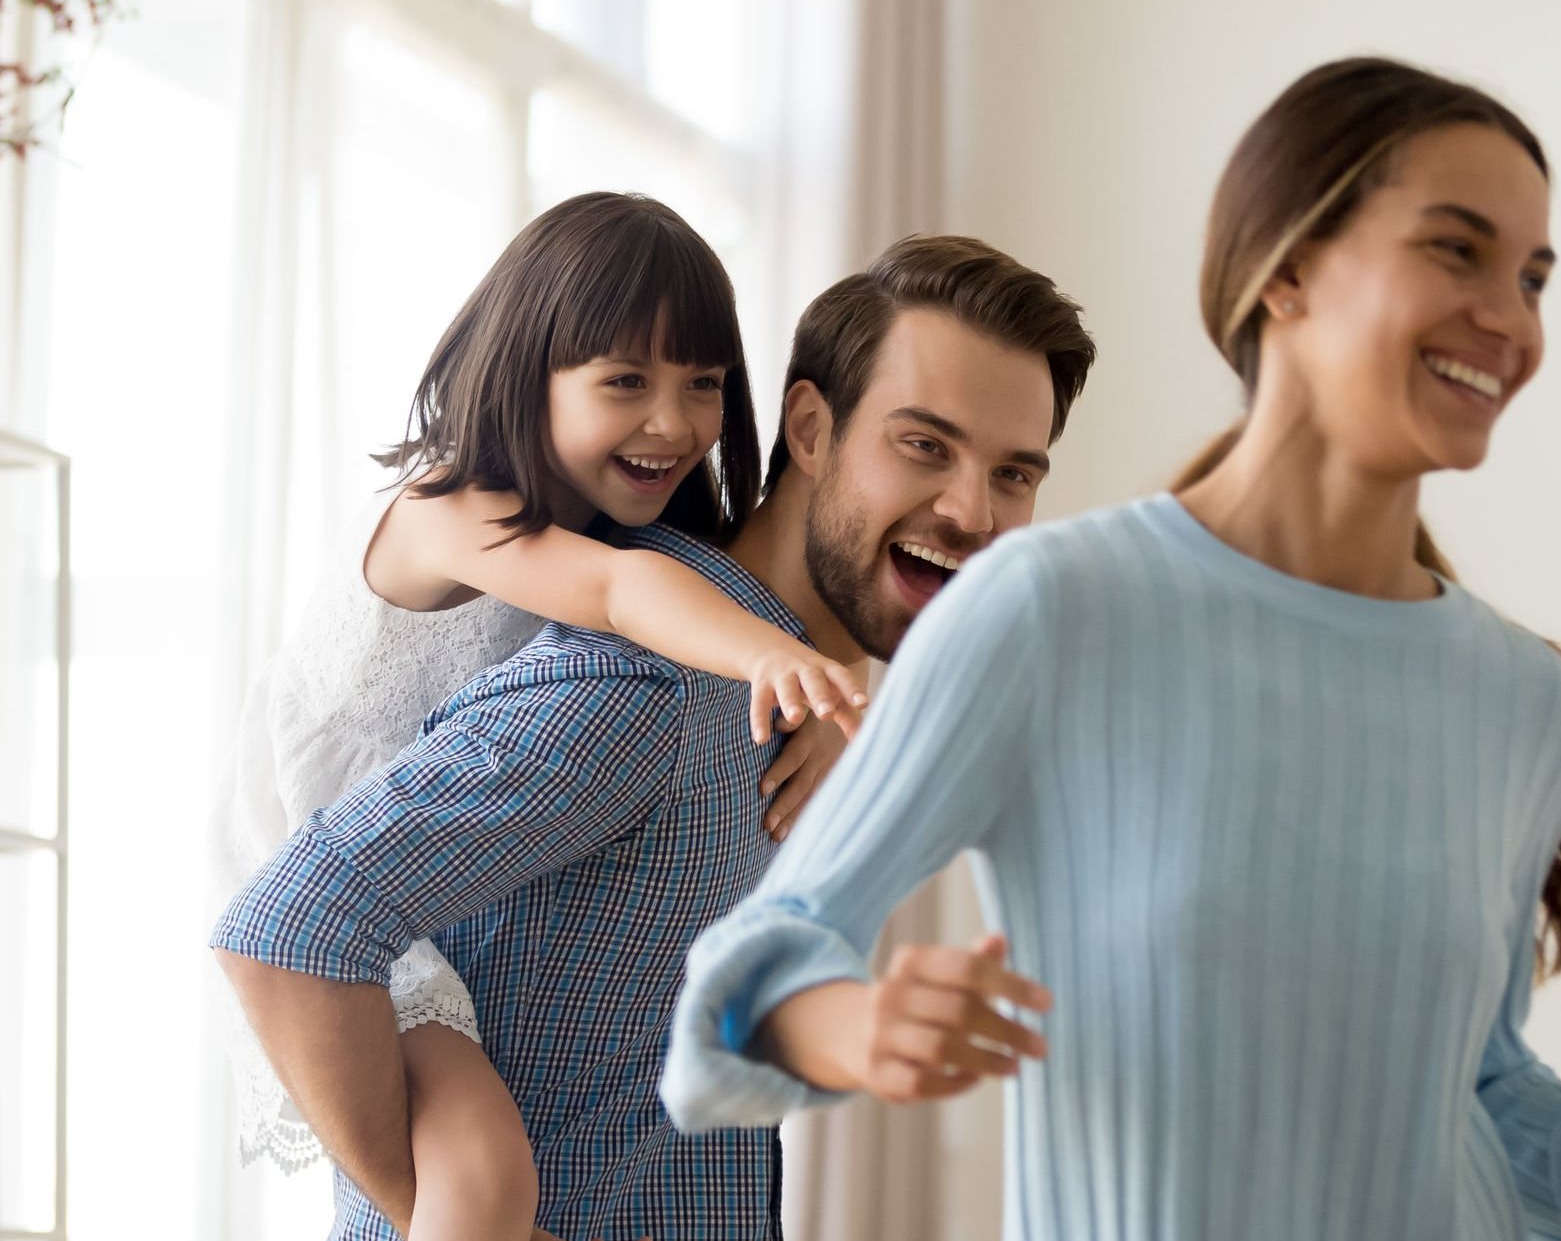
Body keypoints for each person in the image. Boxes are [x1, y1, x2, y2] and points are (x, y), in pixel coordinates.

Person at [663, 58, 1561, 1240]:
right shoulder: (1055, 609)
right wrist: (861, 1027)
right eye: (1459, 251)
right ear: (1286, 271)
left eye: (1535, 278)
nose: (1511, 320)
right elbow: (748, 971)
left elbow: (1484, 1104)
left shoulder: (1524, 699)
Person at [215, 234, 1098, 1240]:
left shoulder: (789, 708)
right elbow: (289, 925)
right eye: (924, 445)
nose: (973, 512)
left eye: (1016, 474)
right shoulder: (648, 691)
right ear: (808, 428)